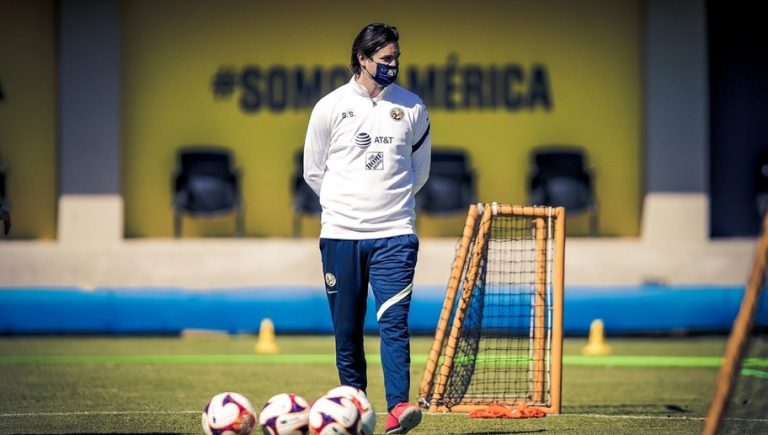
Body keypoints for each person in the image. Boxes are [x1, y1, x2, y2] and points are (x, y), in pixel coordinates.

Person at [303, 23, 431, 434]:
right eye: (386, 59)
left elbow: (419, 173)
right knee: (347, 330)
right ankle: (353, 409)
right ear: (362, 58)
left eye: (397, 58)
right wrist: (347, 208)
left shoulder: (412, 107)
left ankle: (398, 408)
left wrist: (387, 208)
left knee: (393, 323)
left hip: (395, 234)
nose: (394, 65)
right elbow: (313, 171)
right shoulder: (329, 106)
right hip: (340, 235)